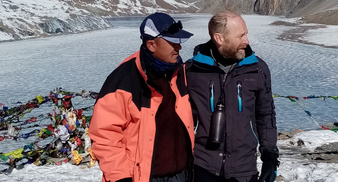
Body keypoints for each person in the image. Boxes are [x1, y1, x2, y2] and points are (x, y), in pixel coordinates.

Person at [89, 12, 195, 182]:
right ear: (152, 45)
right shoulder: (123, 79)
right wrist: (121, 177)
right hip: (143, 177)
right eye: (173, 42)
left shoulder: (179, 71)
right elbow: (104, 135)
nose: (179, 47)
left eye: (179, 41)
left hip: (181, 175)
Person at [186, 10, 279, 182]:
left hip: (243, 170)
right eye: (241, 36)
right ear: (219, 38)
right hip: (202, 167)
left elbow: (265, 115)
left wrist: (270, 158)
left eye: (246, 35)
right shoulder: (192, 71)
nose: (247, 41)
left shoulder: (257, 69)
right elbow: (182, 120)